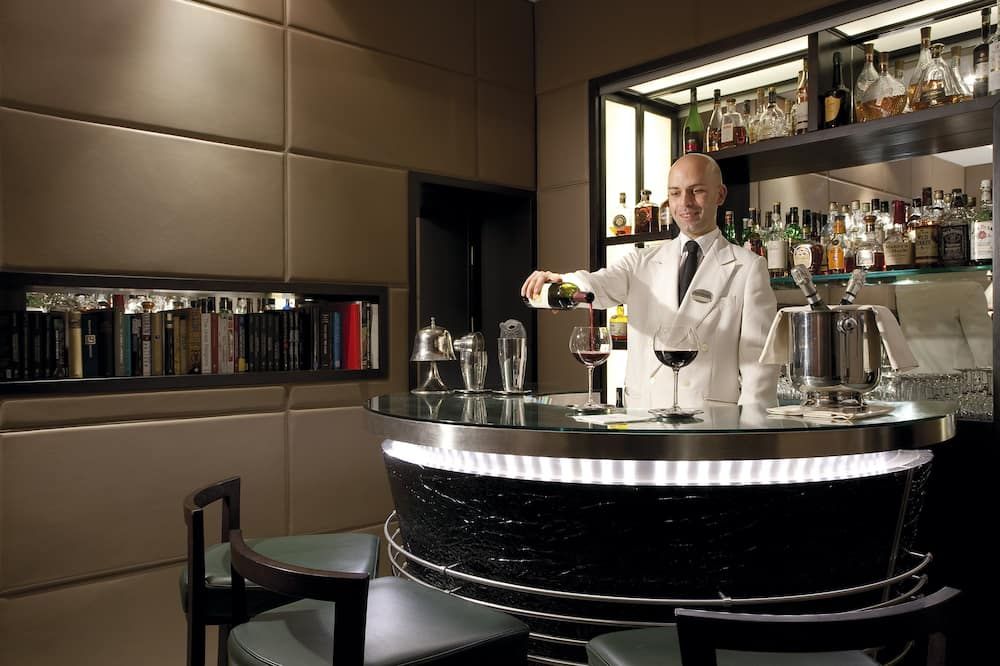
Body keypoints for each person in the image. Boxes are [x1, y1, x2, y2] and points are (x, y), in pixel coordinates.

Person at [521, 153, 778, 408]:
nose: (685, 202)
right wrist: (561, 281)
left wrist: (753, 426)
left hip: (710, 421)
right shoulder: (641, 261)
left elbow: (759, 363)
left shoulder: (748, 267)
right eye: (675, 193)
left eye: (697, 191)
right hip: (643, 416)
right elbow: (597, 285)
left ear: (720, 195)